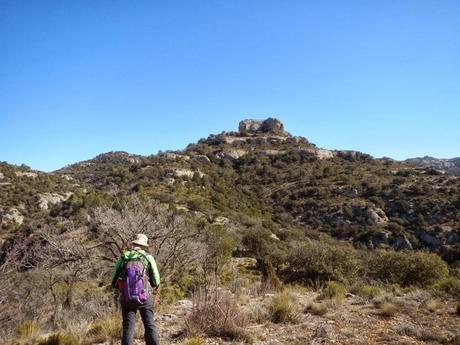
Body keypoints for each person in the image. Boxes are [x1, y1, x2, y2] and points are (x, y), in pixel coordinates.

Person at [111, 234, 161, 345]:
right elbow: (156, 280)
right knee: (149, 324)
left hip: (127, 297)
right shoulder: (148, 257)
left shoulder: (124, 257)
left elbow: (113, 278)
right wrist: (151, 287)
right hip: (145, 297)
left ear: (133, 244)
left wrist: (122, 290)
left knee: (128, 327)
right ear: (144, 246)